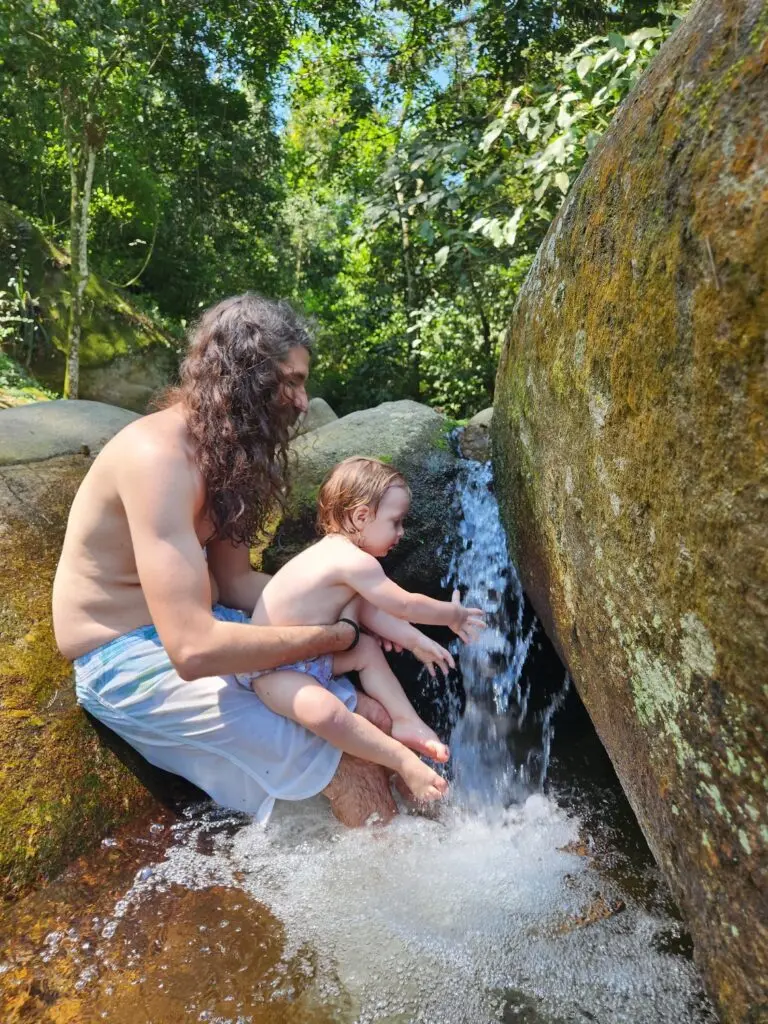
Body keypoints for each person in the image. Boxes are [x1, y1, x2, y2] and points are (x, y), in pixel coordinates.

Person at [52, 294, 421, 827]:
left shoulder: (225, 454)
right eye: (290, 381)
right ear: (243, 377)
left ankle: (405, 844)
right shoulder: (157, 459)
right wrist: (333, 636)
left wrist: (355, 605)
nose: (302, 401)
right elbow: (193, 649)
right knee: (347, 752)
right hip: (125, 658)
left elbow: (234, 583)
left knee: (371, 719)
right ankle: (401, 894)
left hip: (204, 630)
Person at [240, 457, 485, 803]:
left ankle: (405, 721)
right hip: (272, 671)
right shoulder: (352, 561)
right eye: (396, 522)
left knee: (367, 651)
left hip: (309, 659)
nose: (401, 533)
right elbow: (403, 605)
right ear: (361, 516)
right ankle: (401, 759)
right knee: (324, 712)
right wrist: (452, 616)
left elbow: (371, 612)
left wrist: (414, 640)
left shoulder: (341, 557)